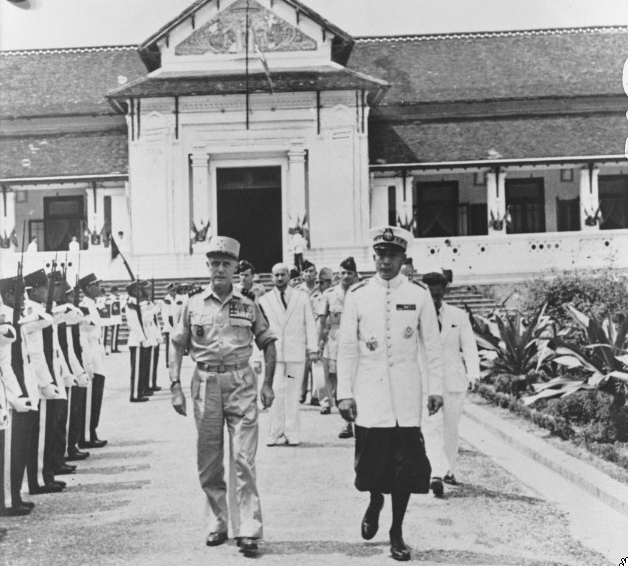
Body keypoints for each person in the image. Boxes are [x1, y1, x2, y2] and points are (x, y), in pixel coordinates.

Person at [337, 226, 444, 562]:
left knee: (405, 468)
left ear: (402, 258)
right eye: (381, 254)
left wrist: (436, 388)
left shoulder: (419, 294)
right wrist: (344, 392)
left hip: (407, 395)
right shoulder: (357, 294)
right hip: (370, 394)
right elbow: (347, 347)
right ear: (374, 256)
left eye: (393, 255)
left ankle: (396, 531)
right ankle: (374, 499)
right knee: (370, 464)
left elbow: (433, 345)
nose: (386, 261)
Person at [169, 236, 277, 557]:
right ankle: (218, 522)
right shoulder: (191, 304)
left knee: (244, 457)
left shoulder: (249, 303)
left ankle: (248, 528)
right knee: (210, 458)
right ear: (208, 267)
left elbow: (268, 341)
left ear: (235, 269)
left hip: (241, 380)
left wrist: (268, 383)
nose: (219, 269)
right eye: (214, 263)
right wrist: (174, 384)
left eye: (225, 264)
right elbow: (176, 344)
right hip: (204, 382)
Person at [421, 272, 479, 494]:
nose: (434, 301)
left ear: (444, 292)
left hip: (453, 380)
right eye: (430, 296)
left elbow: (469, 346)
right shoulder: (418, 317)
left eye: (438, 296)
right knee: (431, 427)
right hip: (428, 381)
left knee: (451, 428)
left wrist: (474, 373)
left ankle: (448, 469)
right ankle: (436, 472)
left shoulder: (458, 315)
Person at [259, 263, 318, 446]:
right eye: (276, 275)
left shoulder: (301, 297)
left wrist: (313, 349)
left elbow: (310, 324)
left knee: (292, 392)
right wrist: (256, 357)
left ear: (289, 276)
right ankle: (276, 432)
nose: (279, 278)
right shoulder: (265, 300)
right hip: (274, 356)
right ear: (271, 277)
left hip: (295, 355)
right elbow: (260, 330)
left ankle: (291, 432)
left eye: (283, 274)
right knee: (276, 391)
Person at [318, 257, 359, 438]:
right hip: (335, 342)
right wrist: (319, 342)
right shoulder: (329, 294)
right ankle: (347, 421)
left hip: (357, 342)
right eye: (343, 273)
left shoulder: (360, 293)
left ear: (355, 275)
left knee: (354, 381)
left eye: (349, 273)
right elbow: (321, 321)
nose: (346, 276)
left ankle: (352, 424)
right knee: (337, 381)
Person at [77, 273, 108, 449]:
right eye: (96, 285)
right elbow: (83, 336)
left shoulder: (93, 305)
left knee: (96, 396)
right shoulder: (83, 307)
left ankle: (92, 430)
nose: (99, 287)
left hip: (98, 351)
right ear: (88, 288)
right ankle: (87, 436)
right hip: (90, 354)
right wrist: (87, 362)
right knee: (90, 397)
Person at [124, 280, 151, 403]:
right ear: (134, 291)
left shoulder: (135, 304)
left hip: (139, 340)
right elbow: (135, 324)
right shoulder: (131, 304)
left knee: (140, 370)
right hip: (136, 340)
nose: (141, 292)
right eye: (139, 290)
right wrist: (142, 339)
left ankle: (139, 392)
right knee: (136, 370)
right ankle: (134, 395)